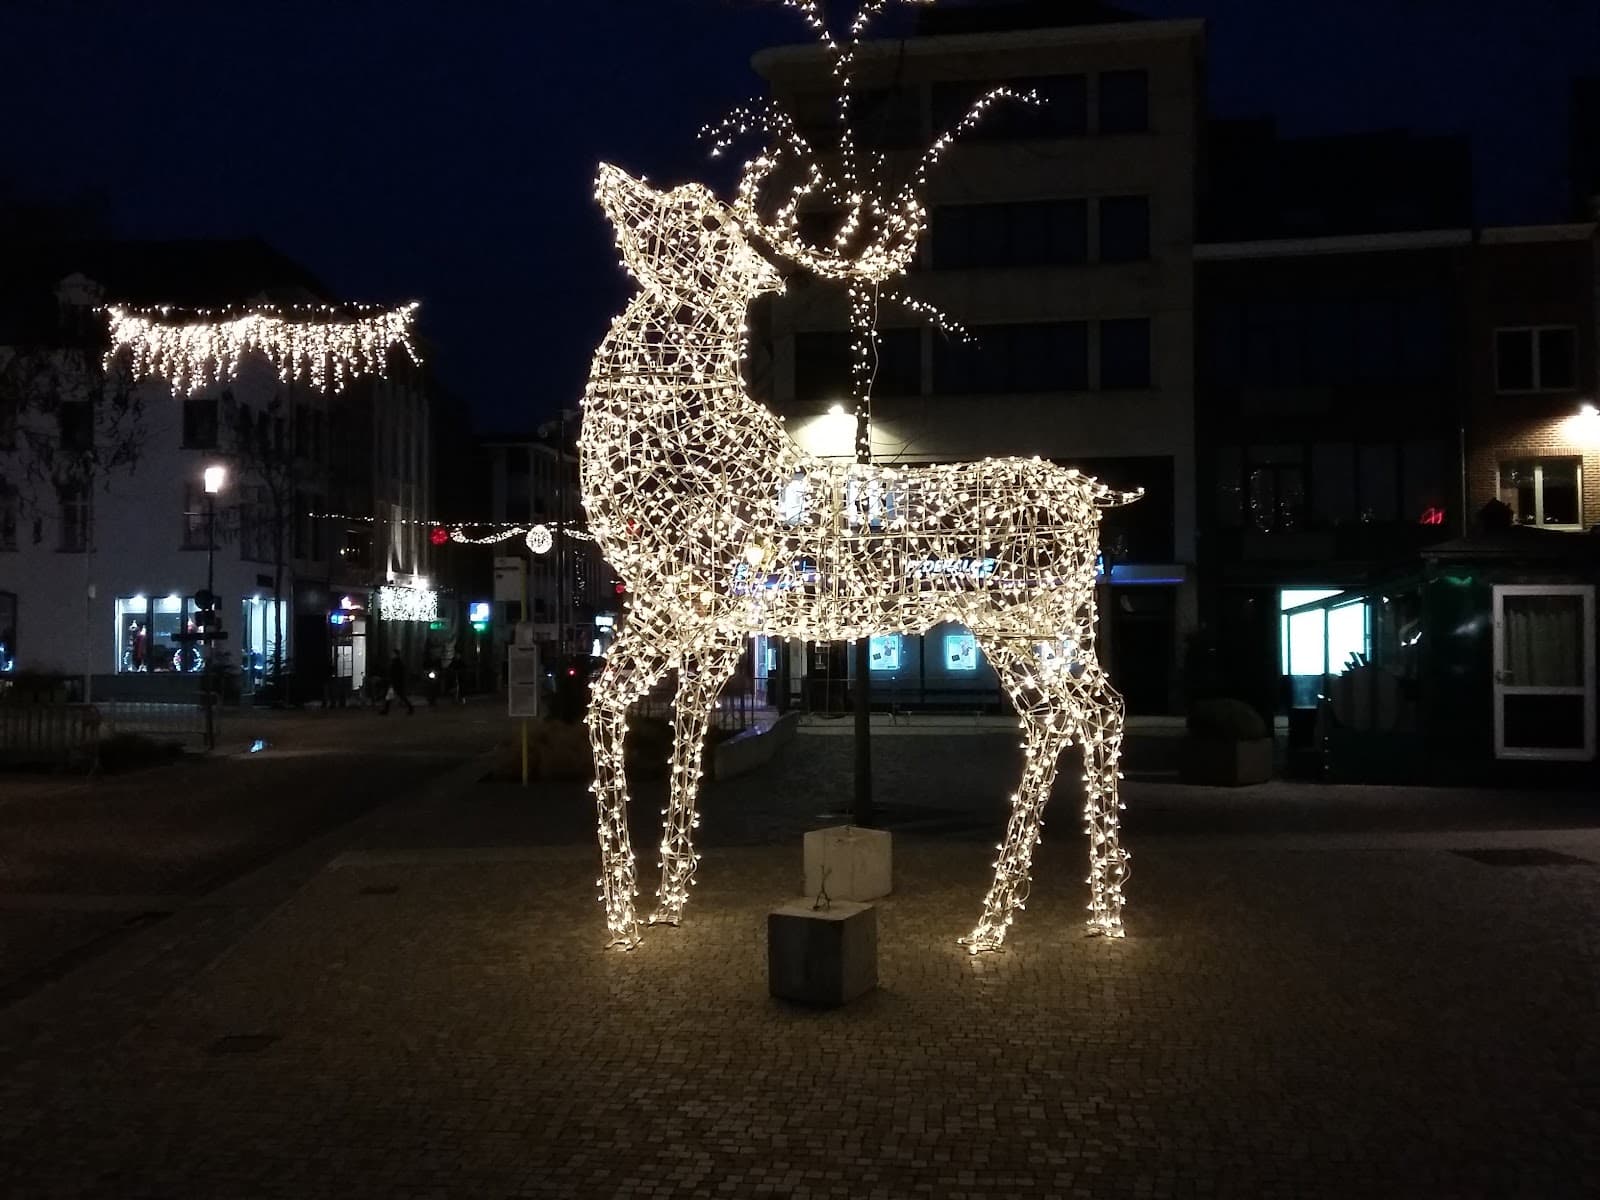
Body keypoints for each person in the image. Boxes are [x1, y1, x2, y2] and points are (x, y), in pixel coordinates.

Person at [380, 651, 415, 716]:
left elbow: (396, 674)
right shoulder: (397, 662)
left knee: (398, 696)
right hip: (396, 682)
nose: (391, 655)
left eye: (393, 654)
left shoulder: (397, 663)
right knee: (396, 696)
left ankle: (410, 707)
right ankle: (410, 708)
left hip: (396, 682)